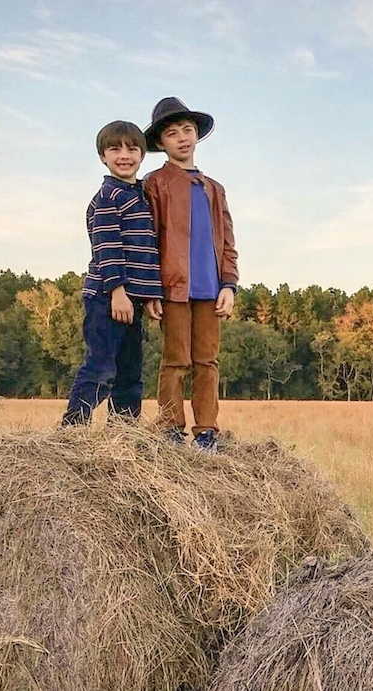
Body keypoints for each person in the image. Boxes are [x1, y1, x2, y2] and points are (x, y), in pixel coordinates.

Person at [142, 97, 239, 451]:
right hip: (174, 288)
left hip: (210, 290)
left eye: (187, 130)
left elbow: (227, 241)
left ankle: (207, 431)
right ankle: (170, 428)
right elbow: (149, 239)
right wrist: (151, 290)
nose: (182, 137)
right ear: (161, 142)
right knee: (176, 360)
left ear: (196, 134)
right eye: (172, 133)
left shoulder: (214, 188)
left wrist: (229, 284)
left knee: (207, 361)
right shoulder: (155, 183)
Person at [61, 121, 164, 426]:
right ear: (102, 156)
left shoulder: (142, 195)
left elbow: (145, 252)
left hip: (131, 301)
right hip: (106, 298)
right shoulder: (109, 196)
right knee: (101, 368)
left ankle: (124, 433)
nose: (124, 155)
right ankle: (72, 429)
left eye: (132, 148)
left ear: (142, 155)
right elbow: (107, 248)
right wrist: (117, 292)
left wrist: (149, 295)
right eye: (115, 149)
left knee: (130, 372)